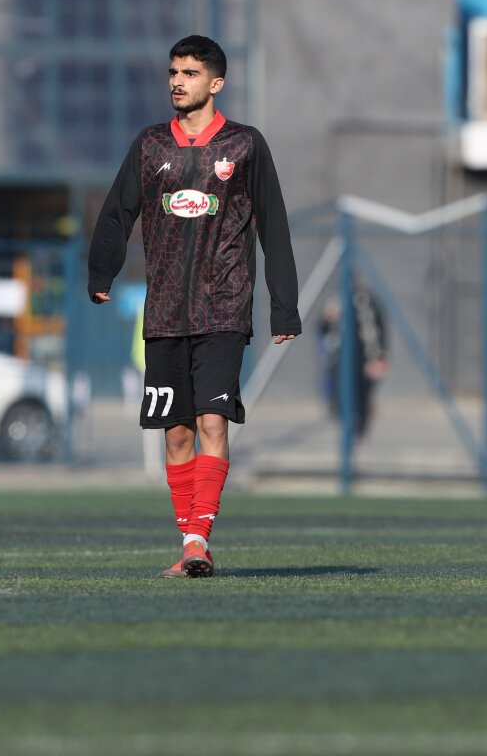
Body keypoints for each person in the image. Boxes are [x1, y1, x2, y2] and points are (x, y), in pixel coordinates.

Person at [88, 34, 301, 578]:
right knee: (177, 433)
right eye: (173, 72)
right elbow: (117, 212)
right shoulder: (150, 145)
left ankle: (197, 540)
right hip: (163, 313)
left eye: (189, 73)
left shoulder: (245, 145)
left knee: (212, 422)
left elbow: (274, 225)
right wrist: (102, 270)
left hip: (224, 308)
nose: (177, 82)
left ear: (216, 82)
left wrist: (283, 306)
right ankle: (190, 542)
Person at [318, 282, 388, 438]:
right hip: (339, 358)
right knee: (340, 398)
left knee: (362, 398)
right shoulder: (334, 300)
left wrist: (379, 357)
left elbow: (378, 328)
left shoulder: (365, 301)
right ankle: (348, 431)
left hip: (363, 358)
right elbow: (322, 329)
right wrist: (326, 319)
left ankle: (359, 434)